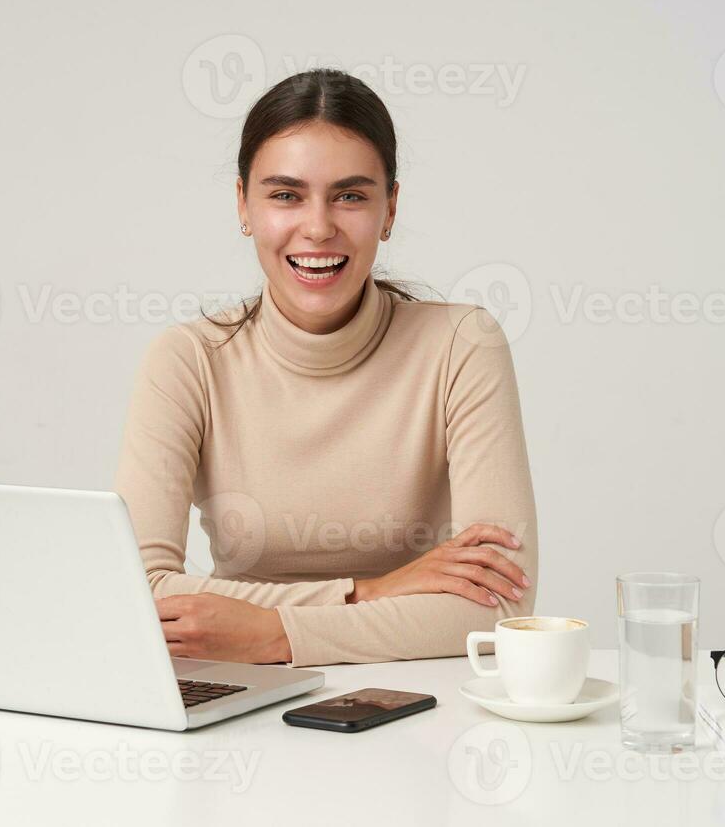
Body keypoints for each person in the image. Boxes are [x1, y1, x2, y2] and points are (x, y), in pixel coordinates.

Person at [112, 68, 538, 667]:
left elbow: (499, 608)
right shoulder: (189, 361)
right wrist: (370, 591)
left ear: (390, 209)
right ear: (244, 205)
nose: (317, 227)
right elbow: (135, 593)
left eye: (351, 195)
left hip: (415, 694)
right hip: (241, 694)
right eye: (285, 195)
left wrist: (274, 634)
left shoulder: (462, 345)